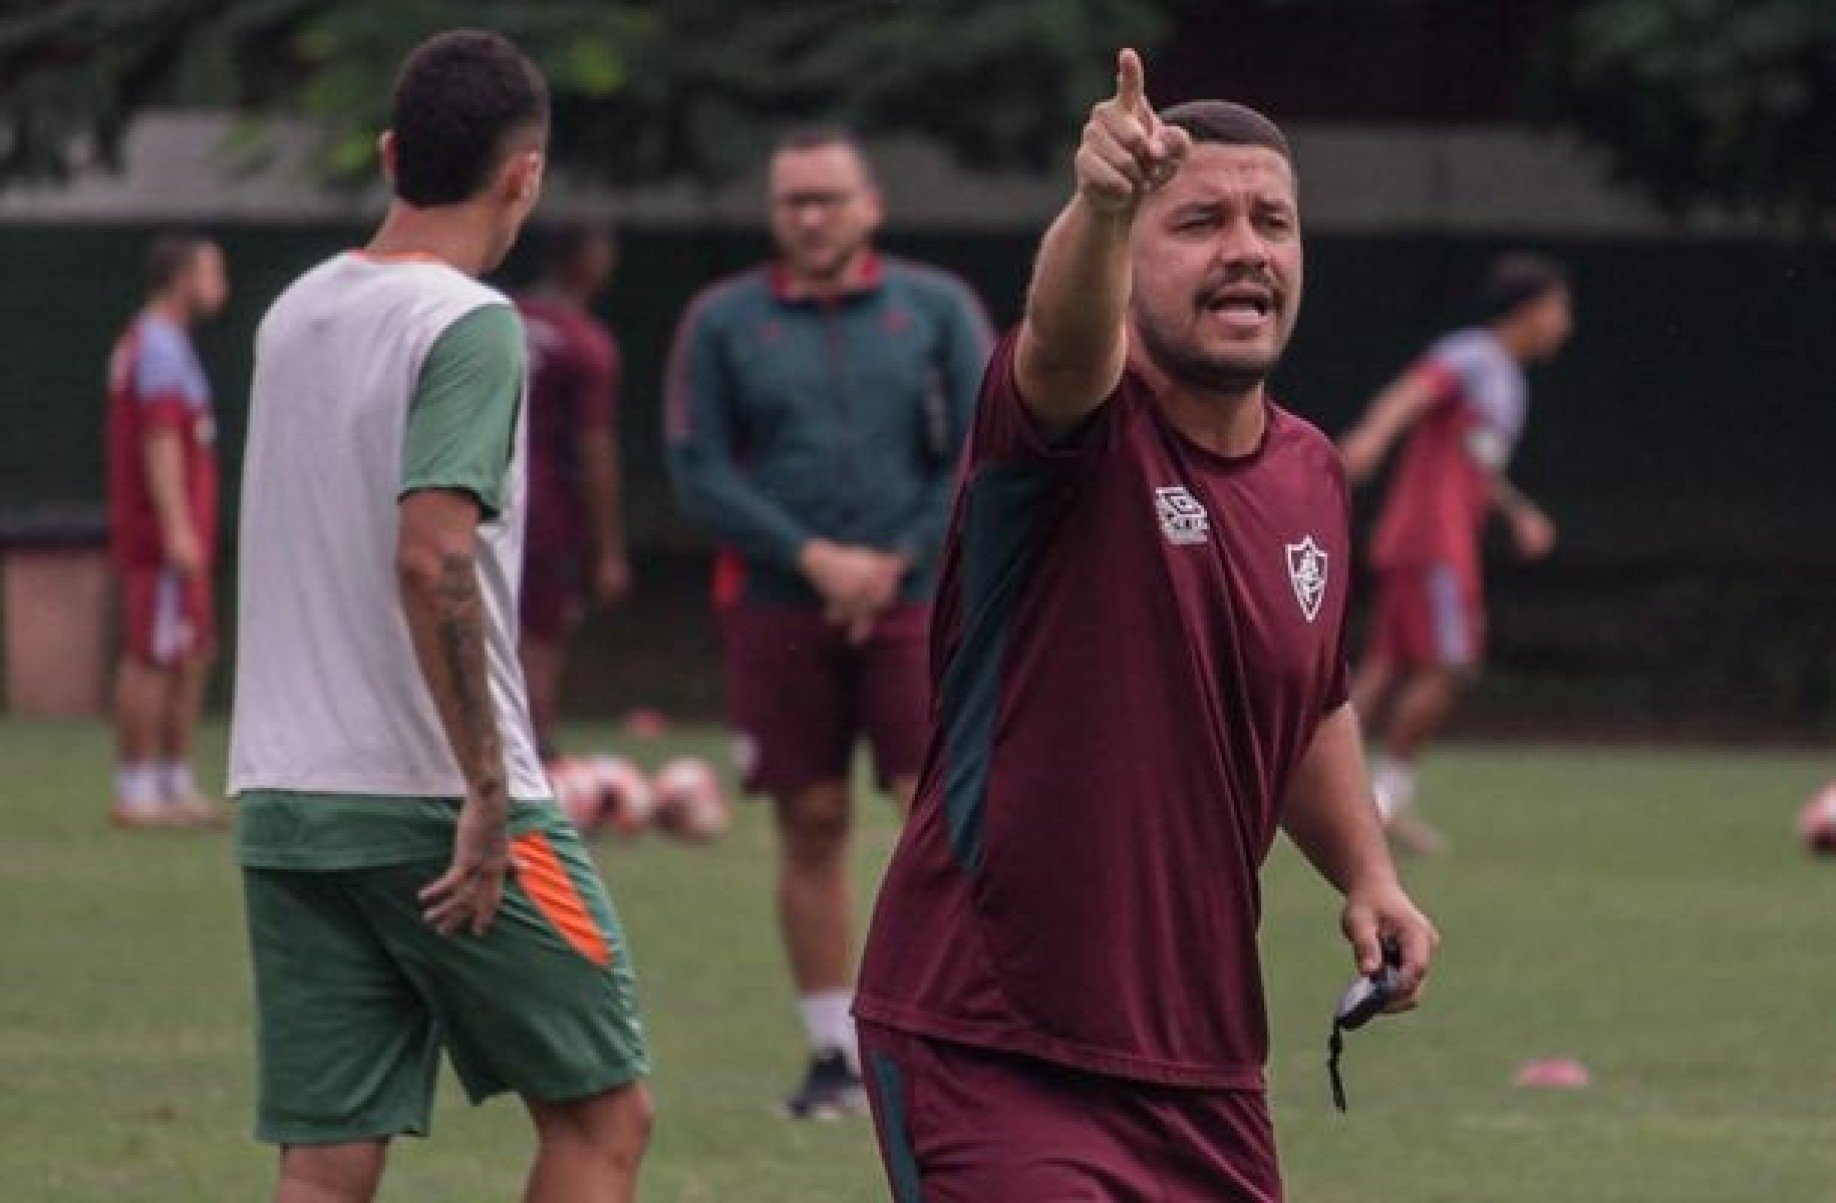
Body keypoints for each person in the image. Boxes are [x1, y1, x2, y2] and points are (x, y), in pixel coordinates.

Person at [853, 51, 1439, 1200]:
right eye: (1201, 221)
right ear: (1131, 265)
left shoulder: (1312, 473)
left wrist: (1370, 875)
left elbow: (1307, 688)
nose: (1247, 249)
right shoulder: (1069, 427)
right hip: (990, 1041)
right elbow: (1063, 337)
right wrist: (1102, 206)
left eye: (1273, 220)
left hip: (1207, 1070)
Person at [226, 32, 650, 1203]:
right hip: (437, 801)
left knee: (325, 1156)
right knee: (605, 1116)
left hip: (286, 801)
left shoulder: (295, 312)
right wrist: (482, 786)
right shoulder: (471, 323)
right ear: (525, 176)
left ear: (389, 155)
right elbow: (433, 558)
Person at [665, 127, 992, 1118]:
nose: (810, 217)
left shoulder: (932, 308)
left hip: (914, 601)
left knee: (929, 812)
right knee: (809, 820)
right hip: (777, 604)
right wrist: (811, 557)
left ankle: (955, 1041)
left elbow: (982, 443)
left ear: (870, 206)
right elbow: (699, 467)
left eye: (828, 198)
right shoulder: (724, 322)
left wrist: (892, 557)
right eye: (792, 201)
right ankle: (830, 1055)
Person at [1339, 253, 1572, 854]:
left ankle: (1331, 796)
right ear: (1530, 311)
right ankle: (1382, 800)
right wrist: (1371, 437)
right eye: (1558, 309)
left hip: (1434, 538)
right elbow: (1409, 394)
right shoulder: (1473, 355)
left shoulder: (1510, 383)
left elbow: (1477, 464)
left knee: (1388, 669)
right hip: (1430, 538)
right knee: (1450, 663)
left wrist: (1518, 513)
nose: (1563, 324)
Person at [106, 233, 229, 828]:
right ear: (183, 278)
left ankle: (173, 782)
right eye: (211, 273)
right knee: (151, 657)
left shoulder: (167, 343)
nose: (219, 286)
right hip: (162, 540)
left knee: (191, 653)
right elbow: (159, 441)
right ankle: (136, 790)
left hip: (184, 537)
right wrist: (178, 527)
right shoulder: (156, 344)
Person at [516, 222, 632, 760]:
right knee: (541, 641)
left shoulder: (493, 317)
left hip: (472, 500)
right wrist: (609, 550)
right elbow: (594, 448)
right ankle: (536, 764)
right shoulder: (585, 343)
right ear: (587, 260)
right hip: (546, 512)